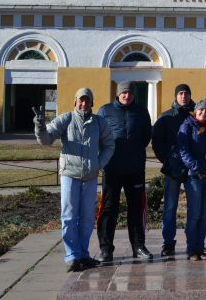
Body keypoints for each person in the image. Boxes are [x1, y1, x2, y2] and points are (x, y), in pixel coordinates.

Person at [34, 88, 115, 272]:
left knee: (87, 218)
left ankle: (83, 254)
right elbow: (46, 139)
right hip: (70, 175)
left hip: (90, 176)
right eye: (81, 100)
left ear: (92, 103)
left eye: (87, 101)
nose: (84, 104)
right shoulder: (66, 119)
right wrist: (40, 126)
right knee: (69, 217)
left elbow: (110, 145)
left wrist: (98, 163)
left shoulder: (99, 123)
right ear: (75, 101)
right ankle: (72, 256)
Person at [96, 81, 152, 263]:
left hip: (135, 168)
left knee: (136, 207)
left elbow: (145, 137)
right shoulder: (105, 111)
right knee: (109, 208)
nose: (127, 96)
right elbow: (99, 137)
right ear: (118, 94)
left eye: (130, 93)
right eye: (124, 93)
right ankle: (106, 249)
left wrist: (132, 151)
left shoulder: (142, 112)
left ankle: (138, 246)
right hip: (112, 168)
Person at [151, 83, 195, 257]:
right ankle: (168, 243)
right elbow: (157, 141)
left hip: (192, 169)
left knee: (194, 208)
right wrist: (167, 161)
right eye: (181, 93)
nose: (183, 96)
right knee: (170, 207)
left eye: (186, 93)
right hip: (173, 169)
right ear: (176, 96)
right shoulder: (166, 117)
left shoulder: (196, 115)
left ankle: (193, 242)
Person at [178, 99, 206, 260]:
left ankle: (200, 246)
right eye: (201, 110)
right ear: (196, 110)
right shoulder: (187, 125)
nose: (204, 113)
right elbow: (183, 150)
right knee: (194, 214)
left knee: (204, 215)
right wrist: (196, 167)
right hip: (194, 176)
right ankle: (191, 249)